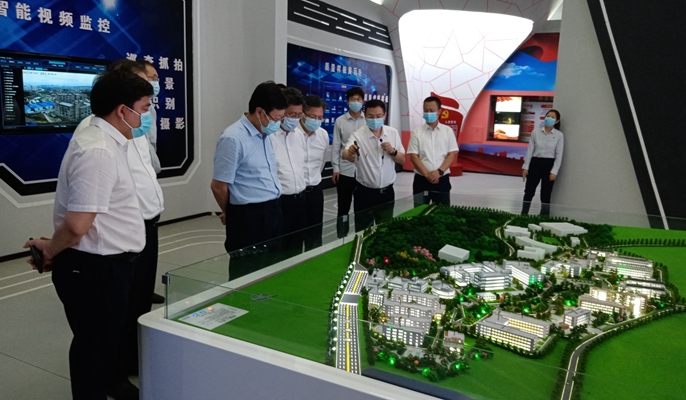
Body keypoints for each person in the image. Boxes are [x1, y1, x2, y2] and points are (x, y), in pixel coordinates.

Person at [24, 69, 153, 400]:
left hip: (107, 264)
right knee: (94, 351)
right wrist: (51, 250)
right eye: (144, 107)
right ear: (123, 110)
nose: (147, 116)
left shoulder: (110, 142)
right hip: (96, 268)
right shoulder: (98, 151)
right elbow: (77, 225)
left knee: (100, 345)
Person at [211, 81, 287, 279]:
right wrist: (229, 211)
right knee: (247, 273)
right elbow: (218, 185)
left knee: (272, 269)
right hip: (248, 217)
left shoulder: (264, 134)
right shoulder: (233, 138)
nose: (279, 123)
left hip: (273, 211)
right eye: (276, 118)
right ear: (260, 112)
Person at [342, 99, 405, 231]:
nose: (375, 119)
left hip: (387, 193)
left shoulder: (392, 133)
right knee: (363, 231)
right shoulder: (358, 135)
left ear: (385, 115)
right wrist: (351, 152)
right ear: (365, 116)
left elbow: (402, 160)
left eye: (378, 116)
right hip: (364, 194)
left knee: (385, 230)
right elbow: (345, 154)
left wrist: (392, 151)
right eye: (370, 116)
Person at [270, 87, 306, 254]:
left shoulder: (298, 135)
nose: (295, 119)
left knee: (296, 247)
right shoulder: (268, 137)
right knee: (277, 249)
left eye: (299, 115)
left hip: (300, 200)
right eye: (292, 114)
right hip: (279, 203)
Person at [408, 96, 459, 207]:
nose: (428, 113)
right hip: (421, 179)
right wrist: (427, 175)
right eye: (426, 111)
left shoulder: (447, 131)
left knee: (442, 212)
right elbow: (413, 156)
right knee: (419, 212)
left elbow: (451, 154)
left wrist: (439, 172)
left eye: (431, 110)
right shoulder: (417, 132)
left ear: (439, 111)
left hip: (442, 180)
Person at [297, 95, 329, 250]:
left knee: (315, 237)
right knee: (294, 238)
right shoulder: (291, 134)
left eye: (320, 118)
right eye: (312, 117)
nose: (316, 121)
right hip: (295, 194)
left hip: (315, 192)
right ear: (302, 114)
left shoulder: (323, 135)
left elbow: (321, 163)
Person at [332, 87, 365, 237]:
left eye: (358, 99)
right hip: (345, 171)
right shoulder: (340, 121)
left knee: (361, 207)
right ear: (347, 101)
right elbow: (336, 146)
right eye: (352, 99)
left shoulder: (368, 121)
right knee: (343, 208)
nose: (355, 102)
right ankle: (341, 236)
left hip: (364, 171)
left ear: (363, 101)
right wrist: (335, 168)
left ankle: (361, 236)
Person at [521, 109, 564, 216]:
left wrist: (554, 171)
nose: (549, 118)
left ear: (557, 121)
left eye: (552, 117)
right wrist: (526, 167)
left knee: (546, 193)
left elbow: (559, 154)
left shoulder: (559, 135)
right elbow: (530, 150)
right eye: (548, 116)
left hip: (549, 165)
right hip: (535, 163)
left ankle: (544, 217)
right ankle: (523, 215)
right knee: (529, 191)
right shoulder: (535, 132)